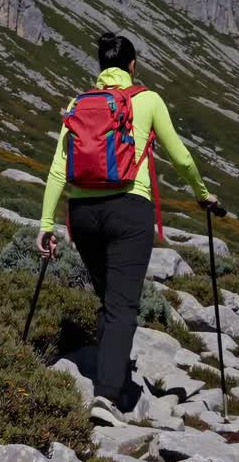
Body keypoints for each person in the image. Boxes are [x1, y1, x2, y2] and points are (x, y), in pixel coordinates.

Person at [36, 32, 219, 418]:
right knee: (122, 306)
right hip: (129, 210)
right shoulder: (148, 100)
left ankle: (109, 371)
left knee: (109, 300)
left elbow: (58, 167)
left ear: (101, 67)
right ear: (132, 66)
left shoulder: (78, 104)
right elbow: (181, 158)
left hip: (83, 215)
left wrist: (46, 224)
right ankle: (105, 396)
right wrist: (202, 193)